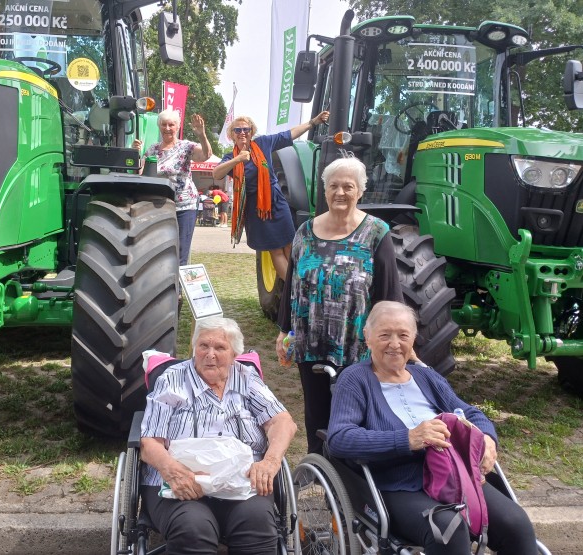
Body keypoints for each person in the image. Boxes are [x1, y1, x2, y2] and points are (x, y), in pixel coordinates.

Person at [327, 301, 539, 554]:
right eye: (385, 335)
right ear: (368, 337)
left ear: (413, 339)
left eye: (403, 335)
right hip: (401, 482)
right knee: (447, 530)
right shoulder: (355, 379)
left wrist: (488, 437)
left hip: (456, 475)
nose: (395, 344)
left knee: (517, 524)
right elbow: (340, 437)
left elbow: (470, 412)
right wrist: (408, 439)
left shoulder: (426, 377)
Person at [276, 157, 403, 455]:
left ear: (360, 191)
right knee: (316, 411)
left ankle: (351, 476)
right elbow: (292, 285)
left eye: (349, 186)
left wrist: (393, 339)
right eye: (334, 186)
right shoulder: (305, 232)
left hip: (356, 345)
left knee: (352, 415)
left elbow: (389, 293)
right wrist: (284, 330)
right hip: (310, 342)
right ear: (325, 190)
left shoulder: (376, 233)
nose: (341, 193)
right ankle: (318, 468)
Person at [140, 316, 297, 555]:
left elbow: (282, 421)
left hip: (242, 484)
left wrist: (270, 462)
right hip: (183, 486)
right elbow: (149, 442)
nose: (210, 354)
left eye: (220, 347)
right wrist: (171, 469)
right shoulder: (171, 380)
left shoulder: (246, 378)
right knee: (192, 528)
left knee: (257, 522)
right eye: (203, 346)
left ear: (234, 354)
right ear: (194, 348)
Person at [213, 112, 329, 279]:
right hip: (256, 209)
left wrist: (312, 122)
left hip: (275, 201)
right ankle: (291, 290)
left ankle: (300, 283)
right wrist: (237, 160)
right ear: (232, 134)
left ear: (252, 132)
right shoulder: (230, 157)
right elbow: (216, 174)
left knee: (290, 244)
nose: (242, 133)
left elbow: (289, 135)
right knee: (275, 250)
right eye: (237, 130)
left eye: (246, 129)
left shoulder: (263, 143)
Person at [133, 109, 212, 266]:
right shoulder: (152, 150)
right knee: (158, 247)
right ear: (159, 126)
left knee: (181, 250)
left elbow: (205, 155)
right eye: (164, 124)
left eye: (171, 124)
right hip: (158, 205)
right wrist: (135, 154)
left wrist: (202, 135)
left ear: (177, 127)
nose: (167, 128)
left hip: (184, 205)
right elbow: (141, 174)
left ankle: (178, 288)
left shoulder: (186, 146)